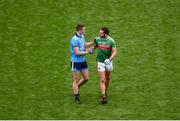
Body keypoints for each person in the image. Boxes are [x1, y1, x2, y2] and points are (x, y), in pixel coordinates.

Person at [70, 23, 94, 104]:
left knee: (86, 78)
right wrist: (88, 51)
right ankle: (76, 97)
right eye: (84, 29)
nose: (85, 30)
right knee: (76, 80)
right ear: (79, 30)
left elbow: (84, 44)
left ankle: (76, 88)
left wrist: (93, 42)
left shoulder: (82, 36)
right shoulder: (74, 39)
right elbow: (77, 52)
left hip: (82, 61)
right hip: (75, 62)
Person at [93, 27, 117, 104]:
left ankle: (105, 91)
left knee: (108, 78)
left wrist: (109, 59)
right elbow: (95, 46)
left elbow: (114, 52)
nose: (99, 34)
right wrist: (91, 49)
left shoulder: (111, 41)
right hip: (100, 61)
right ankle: (103, 96)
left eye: (101, 33)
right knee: (102, 79)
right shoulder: (98, 39)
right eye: (99, 32)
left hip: (108, 62)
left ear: (106, 34)